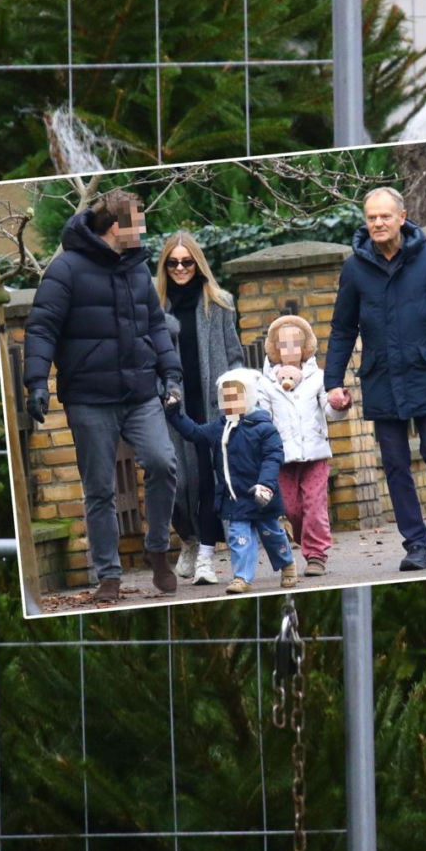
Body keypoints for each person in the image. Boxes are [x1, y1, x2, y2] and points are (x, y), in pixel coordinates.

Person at [23, 188, 182, 602]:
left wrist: (172, 375)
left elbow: (156, 328)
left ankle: (157, 550)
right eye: (138, 222)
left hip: (140, 391)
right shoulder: (66, 270)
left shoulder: (137, 269)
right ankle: (108, 576)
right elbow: (41, 328)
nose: (144, 230)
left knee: (163, 463)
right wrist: (37, 382)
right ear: (116, 227)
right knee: (100, 488)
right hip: (89, 398)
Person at [323, 187, 426, 572]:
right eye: (371, 217)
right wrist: (332, 381)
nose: (377, 223)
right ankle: (416, 545)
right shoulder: (355, 269)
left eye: (384, 216)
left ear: (402, 217)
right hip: (381, 377)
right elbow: (342, 329)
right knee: (394, 463)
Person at [154, 231, 243, 586]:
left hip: (210, 406)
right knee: (176, 479)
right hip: (171, 406)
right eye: (172, 262)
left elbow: (234, 354)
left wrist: (234, 396)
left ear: (198, 264)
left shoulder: (219, 303)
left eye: (186, 261)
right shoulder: (153, 308)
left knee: (208, 480)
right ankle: (188, 539)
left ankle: (206, 555)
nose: (179, 268)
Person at [166, 368, 295, 595]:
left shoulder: (264, 428)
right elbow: (195, 433)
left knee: (272, 535)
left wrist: (266, 484)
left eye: (236, 396)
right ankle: (241, 577)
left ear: (249, 398)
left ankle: (287, 564)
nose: (230, 402)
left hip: (261, 495)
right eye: (225, 398)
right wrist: (175, 414)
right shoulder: (219, 428)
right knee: (239, 538)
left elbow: (273, 458)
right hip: (235, 499)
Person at [259, 314, 346, 577]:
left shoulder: (318, 377)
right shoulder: (266, 383)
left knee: (315, 505)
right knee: (291, 508)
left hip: (315, 455)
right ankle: (302, 533)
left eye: (295, 344)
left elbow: (329, 410)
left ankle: (317, 554)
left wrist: (339, 403)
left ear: (306, 346)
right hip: (283, 459)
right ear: (274, 349)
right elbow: (263, 417)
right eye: (283, 346)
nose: (290, 351)